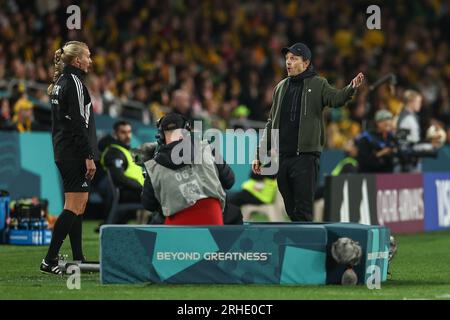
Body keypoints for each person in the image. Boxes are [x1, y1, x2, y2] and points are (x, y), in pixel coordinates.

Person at [252, 42, 364, 222]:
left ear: (306, 63)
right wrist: (260, 153)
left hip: (306, 157)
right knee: (290, 207)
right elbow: (271, 123)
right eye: (287, 59)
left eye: (293, 59)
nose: (288, 62)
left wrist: (351, 88)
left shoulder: (318, 84)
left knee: (303, 208)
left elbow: (336, 99)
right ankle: (302, 239)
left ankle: (306, 247)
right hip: (284, 157)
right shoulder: (280, 87)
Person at [41, 41, 98, 275]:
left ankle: (78, 258)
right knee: (74, 206)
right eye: (88, 56)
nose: (90, 60)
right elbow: (77, 123)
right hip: (74, 152)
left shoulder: (60, 82)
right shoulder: (74, 82)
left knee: (78, 205)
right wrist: (88, 155)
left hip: (63, 149)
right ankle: (49, 260)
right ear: (77, 61)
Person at [141, 113, 234, 225]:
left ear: (161, 136)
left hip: (177, 229)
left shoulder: (154, 166)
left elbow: (148, 204)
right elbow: (229, 181)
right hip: (212, 223)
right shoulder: (207, 148)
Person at [99, 120, 145, 223]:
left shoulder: (127, 151)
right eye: (123, 132)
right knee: (161, 198)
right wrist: (141, 187)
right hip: (128, 193)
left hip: (137, 191)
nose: (127, 135)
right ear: (115, 134)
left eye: (129, 132)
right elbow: (119, 178)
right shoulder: (114, 152)